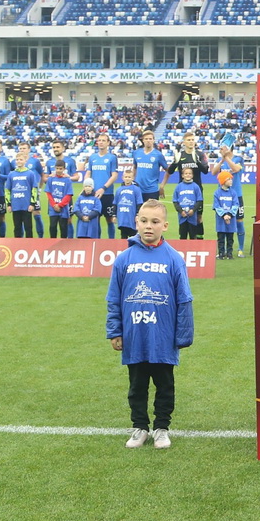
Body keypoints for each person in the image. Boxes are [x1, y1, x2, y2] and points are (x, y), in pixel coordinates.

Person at [106, 200, 195, 450]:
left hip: (163, 336)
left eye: (155, 222)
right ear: (136, 222)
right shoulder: (124, 258)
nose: (148, 226)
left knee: (165, 385)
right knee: (137, 386)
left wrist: (183, 334)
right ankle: (140, 427)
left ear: (165, 225)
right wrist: (115, 331)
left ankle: (162, 428)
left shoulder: (173, 259)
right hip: (134, 336)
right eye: (144, 221)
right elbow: (114, 298)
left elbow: (184, 299)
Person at [80, 133, 120, 239]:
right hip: (94, 194)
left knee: (109, 219)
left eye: (103, 140)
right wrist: (86, 186)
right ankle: (97, 242)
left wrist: (103, 188)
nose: (101, 142)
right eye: (99, 140)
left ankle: (112, 242)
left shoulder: (112, 158)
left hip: (107, 194)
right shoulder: (92, 158)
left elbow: (114, 175)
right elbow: (88, 173)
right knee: (95, 218)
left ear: (108, 143)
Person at [5, 158, 39, 239]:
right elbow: (7, 190)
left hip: (26, 205)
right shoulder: (11, 174)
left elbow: (34, 189)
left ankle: (29, 246)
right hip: (16, 205)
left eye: (21, 159)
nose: (19, 161)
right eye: (17, 160)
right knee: (17, 228)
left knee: (28, 227)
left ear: (25, 161)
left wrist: (32, 203)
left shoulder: (30, 173)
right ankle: (17, 246)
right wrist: (9, 204)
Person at [131, 129, 169, 201]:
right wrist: (132, 180)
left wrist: (162, 186)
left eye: (150, 139)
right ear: (143, 140)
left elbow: (168, 171)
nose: (148, 140)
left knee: (151, 212)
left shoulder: (158, 155)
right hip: (138, 190)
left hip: (152, 191)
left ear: (153, 140)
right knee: (138, 212)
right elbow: (134, 167)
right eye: (146, 139)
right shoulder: (136, 153)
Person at [212, 170, 243, 259]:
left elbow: (236, 204)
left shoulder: (233, 192)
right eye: (229, 179)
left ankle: (229, 253)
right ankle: (221, 253)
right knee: (221, 237)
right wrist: (224, 215)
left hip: (231, 219)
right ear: (223, 181)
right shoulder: (217, 193)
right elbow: (216, 206)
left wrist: (229, 214)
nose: (231, 181)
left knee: (230, 237)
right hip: (221, 220)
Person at [44, 160, 76, 239]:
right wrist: (54, 205)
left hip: (63, 209)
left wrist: (60, 205)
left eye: (60, 169)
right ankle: (52, 244)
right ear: (55, 168)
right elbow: (48, 193)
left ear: (64, 169)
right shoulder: (51, 179)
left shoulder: (67, 180)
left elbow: (69, 195)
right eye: (57, 168)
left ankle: (63, 245)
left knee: (63, 228)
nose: (58, 170)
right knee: (52, 227)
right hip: (53, 208)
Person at [171, 165, 204, 240]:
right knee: (182, 236)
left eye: (190, 173)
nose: (188, 175)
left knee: (193, 236)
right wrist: (181, 211)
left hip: (192, 216)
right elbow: (175, 201)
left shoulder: (195, 186)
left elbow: (199, 200)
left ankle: (193, 250)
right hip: (182, 217)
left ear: (192, 175)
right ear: (182, 175)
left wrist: (193, 210)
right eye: (186, 173)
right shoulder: (179, 187)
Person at [115, 174, 145, 241]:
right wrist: (114, 215)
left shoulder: (136, 189)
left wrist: (137, 214)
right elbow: (115, 203)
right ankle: (124, 249)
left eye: (129, 177)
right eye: (126, 177)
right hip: (122, 217)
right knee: (123, 235)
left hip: (131, 217)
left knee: (133, 235)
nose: (127, 179)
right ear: (123, 178)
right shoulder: (119, 190)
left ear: (132, 178)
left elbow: (139, 203)